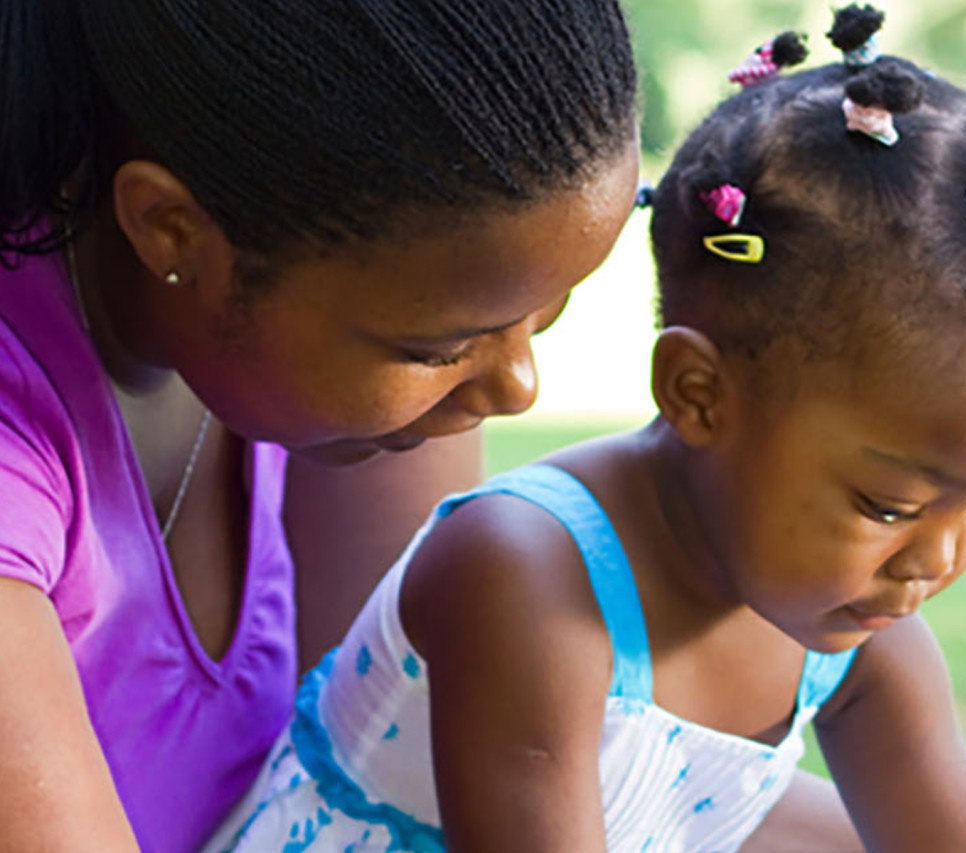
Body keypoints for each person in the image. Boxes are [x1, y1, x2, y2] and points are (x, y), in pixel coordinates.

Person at [204, 6, 966, 852]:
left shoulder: (863, 633)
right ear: (697, 392)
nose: (937, 559)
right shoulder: (523, 574)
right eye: (888, 504)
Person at [0, 1, 641, 851]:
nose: (516, 386)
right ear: (169, 229)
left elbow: (391, 786)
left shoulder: (343, 371)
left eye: (543, 312)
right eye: (438, 345)